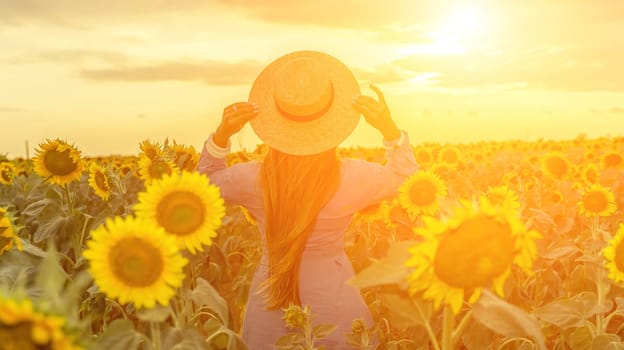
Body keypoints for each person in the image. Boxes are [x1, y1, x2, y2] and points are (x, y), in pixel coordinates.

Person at [198, 51, 418, 349]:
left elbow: (205, 184)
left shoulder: (254, 179)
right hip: (335, 302)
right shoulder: (352, 178)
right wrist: (389, 130)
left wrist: (222, 136)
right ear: (331, 124)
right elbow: (408, 182)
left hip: (270, 302)